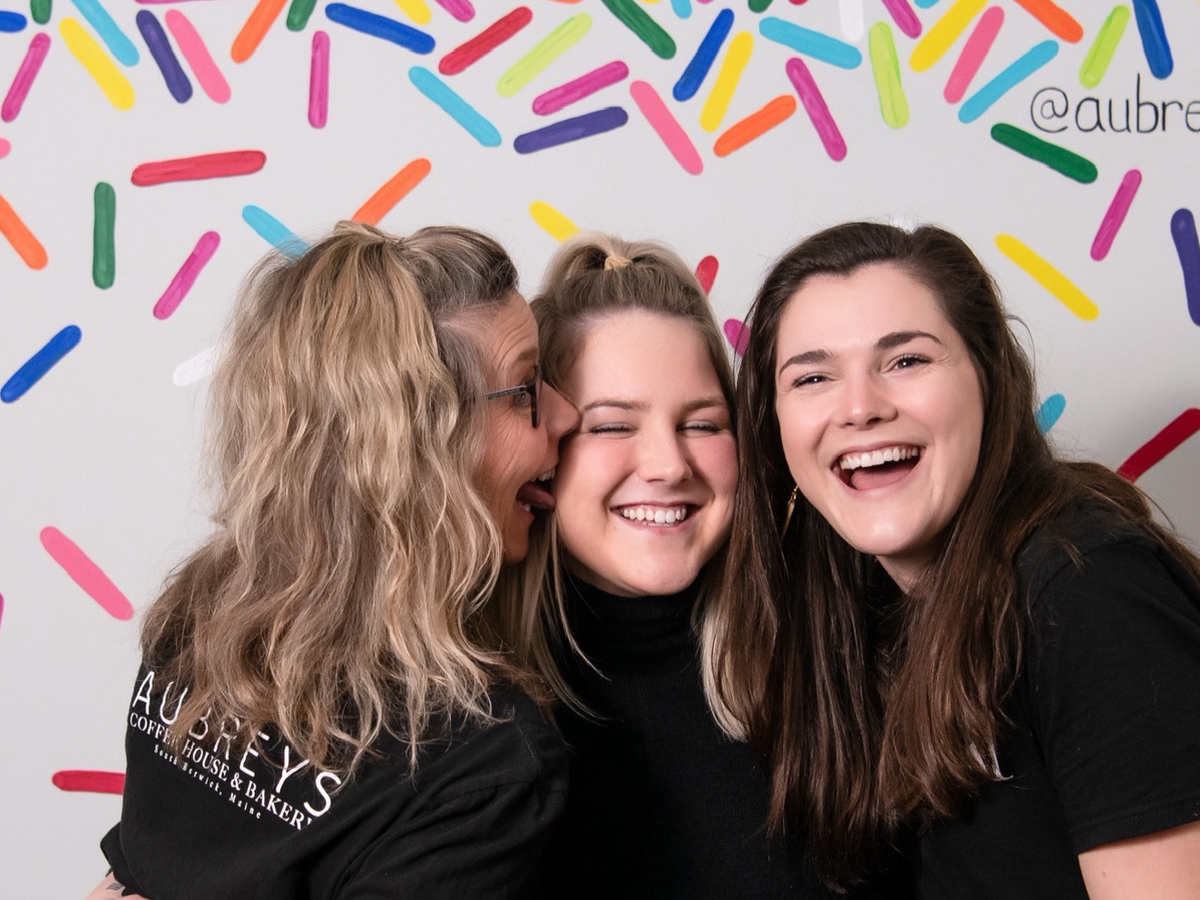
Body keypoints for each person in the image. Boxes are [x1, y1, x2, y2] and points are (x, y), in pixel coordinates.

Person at [88, 221, 578, 899]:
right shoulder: (485, 765)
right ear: (421, 450)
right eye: (525, 389)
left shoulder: (199, 606)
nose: (567, 414)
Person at [713, 220, 1200, 899]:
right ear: (774, 428)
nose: (860, 408)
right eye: (814, 377)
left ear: (989, 376)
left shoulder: (1088, 591)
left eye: (906, 361)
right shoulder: (856, 611)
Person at [526, 233, 839, 899]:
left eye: (701, 424)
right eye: (612, 426)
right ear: (540, 450)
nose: (669, 466)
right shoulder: (469, 717)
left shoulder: (824, 661)